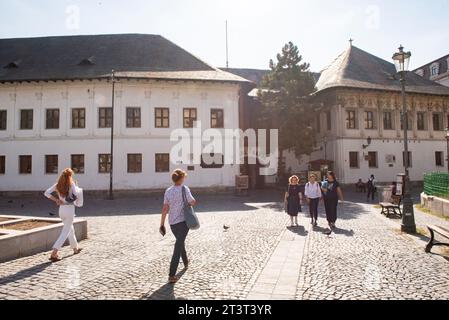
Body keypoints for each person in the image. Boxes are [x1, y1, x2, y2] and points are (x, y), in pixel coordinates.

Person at [160, 169, 197, 284]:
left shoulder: (168, 191)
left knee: (180, 242)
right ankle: (171, 275)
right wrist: (187, 204)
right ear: (181, 178)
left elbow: (165, 208)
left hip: (172, 223)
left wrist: (161, 224)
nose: (184, 179)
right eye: (184, 177)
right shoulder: (184, 189)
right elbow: (193, 201)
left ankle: (185, 262)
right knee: (178, 245)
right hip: (183, 222)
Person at [44, 168, 83, 262]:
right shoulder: (71, 184)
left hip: (61, 210)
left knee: (70, 229)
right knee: (65, 231)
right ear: (70, 176)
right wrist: (77, 188)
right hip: (69, 209)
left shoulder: (58, 184)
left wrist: (57, 200)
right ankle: (54, 253)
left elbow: (46, 193)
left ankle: (75, 248)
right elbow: (76, 195)